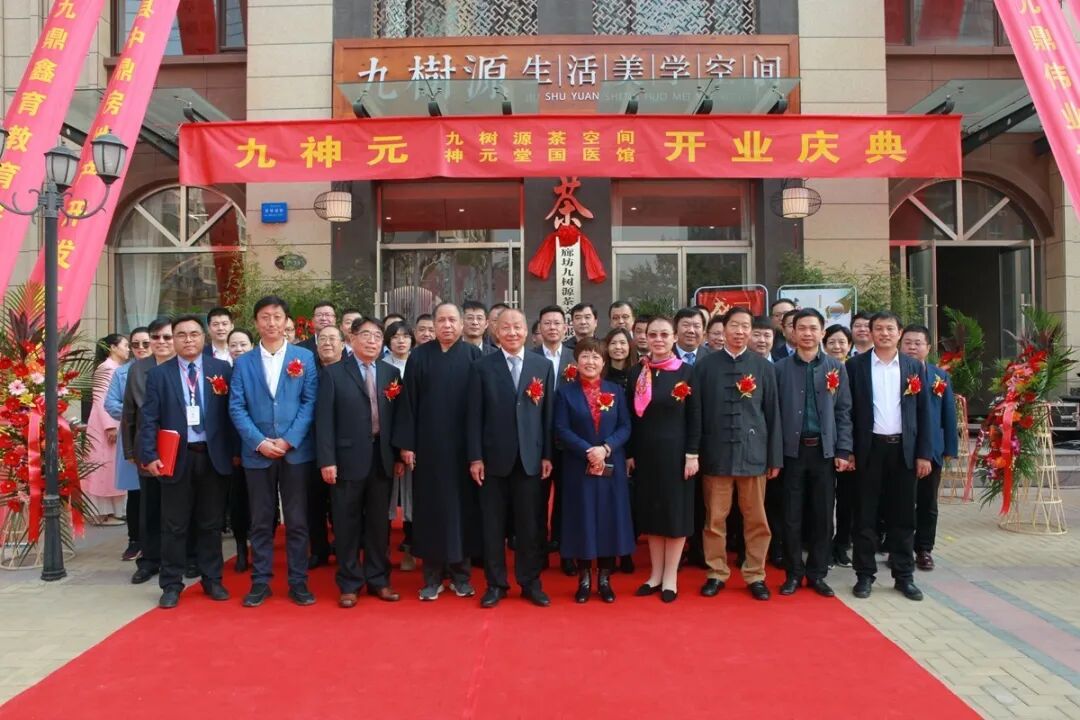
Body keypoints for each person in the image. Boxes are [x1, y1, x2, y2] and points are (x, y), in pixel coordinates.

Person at [138, 315, 235, 609]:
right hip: (176, 457)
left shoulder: (222, 370)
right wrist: (149, 455)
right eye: (181, 335)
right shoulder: (159, 374)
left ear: (203, 338)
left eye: (194, 334)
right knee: (174, 524)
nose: (188, 339)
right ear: (174, 340)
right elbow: (149, 418)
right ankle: (171, 583)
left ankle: (212, 578)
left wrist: (236, 452)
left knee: (211, 523)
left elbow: (232, 413)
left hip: (212, 456)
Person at [230, 295, 319, 607]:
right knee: (260, 520)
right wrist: (260, 442)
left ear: (286, 322)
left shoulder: (303, 358)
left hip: (295, 452)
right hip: (257, 453)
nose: (271, 322)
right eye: (265, 317)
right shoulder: (243, 362)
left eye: (277, 316)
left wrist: (288, 440)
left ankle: (298, 581)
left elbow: (310, 402)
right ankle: (260, 582)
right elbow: (236, 407)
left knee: (297, 520)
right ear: (256, 322)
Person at [691, 307, 782, 602]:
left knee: (756, 520)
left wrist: (774, 458)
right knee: (714, 520)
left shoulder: (764, 367)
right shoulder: (705, 366)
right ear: (723, 329)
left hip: (753, 455)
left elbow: (773, 415)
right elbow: (696, 413)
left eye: (745, 326)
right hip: (715, 455)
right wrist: (694, 452)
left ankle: (755, 574)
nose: (740, 331)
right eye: (734, 325)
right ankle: (716, 572)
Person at [392, 302, 483, 601]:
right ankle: (431, 577)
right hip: (428, 448)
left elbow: (480, 406)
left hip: (463, 449)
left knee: (462, 511)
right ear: (433, 325)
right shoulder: (419, 357)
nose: (447, 325)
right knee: (430, 511)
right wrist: (407, 444)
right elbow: (408, 404)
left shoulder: (473, 356)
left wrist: (478, 451)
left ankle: (460, 576)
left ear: (461, 324)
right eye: (441, 320)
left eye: (452, 320)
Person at [467, 309, 554, 609]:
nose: (512, 332)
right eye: (506, 327)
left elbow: (547, 416)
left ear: (527, 331)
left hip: (530, 459)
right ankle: (496, 584)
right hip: (493, 460)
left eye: (518, 327)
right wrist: (475, 457)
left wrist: (547, 454)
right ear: (496, 331)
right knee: (493, 527)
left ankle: (530, 583)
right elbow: (474, 417)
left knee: (530, 526)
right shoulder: (482, 367)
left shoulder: (542, 366)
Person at [317, 318, 404, 607]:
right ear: (351, 339)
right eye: (365, 335)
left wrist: (398, 454)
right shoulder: (334, 373)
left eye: (377, 336)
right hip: (346, 460)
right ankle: (349, 583)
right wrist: (327, 460)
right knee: (347, 524)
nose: (372, 341)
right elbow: (324, 421)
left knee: (379, 525)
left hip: (382, 458)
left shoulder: (391, 373)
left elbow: (397, 418)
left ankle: (379, 580)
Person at [846, 311, 932, 602]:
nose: (884, 333)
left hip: (903, 450)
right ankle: (864, 575)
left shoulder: (913, 367)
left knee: (903, 515)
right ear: (870, 333)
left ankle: (904, 575)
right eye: (879, 328)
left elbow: (924, 413)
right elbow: (847, 412)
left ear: (899, 333)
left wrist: (924, 454)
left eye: (890, 329)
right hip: (868, 450)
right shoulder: (855, 366)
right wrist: (849, 450)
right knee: (865, 515)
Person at [774, 309, 853, 598]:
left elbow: (844, 411)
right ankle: (793, 573)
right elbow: (773, 416)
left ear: (822, 332)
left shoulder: (835, 367)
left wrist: (843, 449)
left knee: (823, 515)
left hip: (823, 452)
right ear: (792, 332)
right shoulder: (779, 369)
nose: (807, 333)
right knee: (791, 516)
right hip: (791, 453)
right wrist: (775, 456)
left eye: (813, 328)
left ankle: (818, 573)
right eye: (802, 328)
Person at [554, 338, 634, 604]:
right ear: (576, 361)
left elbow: (625, 426)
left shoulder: (615, 391)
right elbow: (561, 428)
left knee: (609, 519)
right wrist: (588, 450)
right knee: (583, 519)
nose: (590, 362)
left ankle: (605, 578)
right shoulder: (565, 393)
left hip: (610, 465)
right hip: (579, 466)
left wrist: (606, 448)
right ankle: (585, 577)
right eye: (585, 356)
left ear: (604, 362)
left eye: (596, 357)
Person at [626, 316, 699, 603]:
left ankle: (671, 577)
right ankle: (655, 574)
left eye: (664, 335)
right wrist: (630, 453)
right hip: (646, 455)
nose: (658, 339)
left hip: (677, 455)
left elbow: (695, 418)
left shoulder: (687, 372)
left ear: (674, 338)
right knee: (652, 513)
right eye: (652, 334)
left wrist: (692, 454)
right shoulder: (637, 372)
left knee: (674, 514)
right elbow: (631, 418)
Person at [900, 324, 957, 572]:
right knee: (901, 502)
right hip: (902, 449)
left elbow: (948, 415)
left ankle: (924, 549)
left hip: (932, 450)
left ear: (928, 347)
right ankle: (899, 548)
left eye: (918, 343)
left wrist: (949, 449)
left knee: (928, 503)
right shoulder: (894, 372)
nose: (912, 347)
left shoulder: (939, 376)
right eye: (908, 343)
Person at [122, 318, 175, 585]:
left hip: (182, 447)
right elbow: (129, 412)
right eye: (156, 337)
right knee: (150, 507)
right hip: (149, 447)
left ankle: (183, 558)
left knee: (180, 508)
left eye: (167, 337)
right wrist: (131, 450)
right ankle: (149, 561)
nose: (161, 342)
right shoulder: (138, 369)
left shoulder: (186, 364)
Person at [531, 305, 577, 575]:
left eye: (557, 323)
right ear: (539, 327)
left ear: (565, 327)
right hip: (537, 441)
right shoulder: (530, 357)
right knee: (537, 500)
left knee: (567, 500)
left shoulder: (575, 358)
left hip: (569, 442)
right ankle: (539, 553)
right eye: (547, 323)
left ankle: (566, 551)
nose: (552, 327)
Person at [105, 327, 151, 560]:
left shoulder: (163, 368)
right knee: (135, 493)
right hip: (132, 436)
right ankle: (135, 540)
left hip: (162, 438)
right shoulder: (122, 373)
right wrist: (136, 411)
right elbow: (110, 404)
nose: (141, 348)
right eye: (135, 344)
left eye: (146, 343)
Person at [84, 334, 130, 524]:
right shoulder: (106, 369)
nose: (128, 349)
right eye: (126, 345)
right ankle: (102, 514)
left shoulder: (117, 368)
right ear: (113, 347)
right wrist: (110, 426)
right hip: (106, 426)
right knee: (104, 468)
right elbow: (101, 400)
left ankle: (114, 511)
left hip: (115, 423)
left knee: (113, 468)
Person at [383, 320, 417, 571]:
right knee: (384, 500)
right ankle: (381, 552)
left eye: (405, 336)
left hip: (412, 443)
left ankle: (410, 550)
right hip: (385, 443)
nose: (401, 340)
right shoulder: (381, 367)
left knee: (410, 499)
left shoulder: (418, 365)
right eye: (395, 336)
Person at [823, 323, 855, 567]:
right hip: (825, 445)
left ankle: (842, 544)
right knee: (825, 500)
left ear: (849, 345)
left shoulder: (855, 369)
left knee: (847, 499)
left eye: (842, 342)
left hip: (849, 445)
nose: (837, 346)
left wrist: (850, 448)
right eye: (832, 342)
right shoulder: (821, 369)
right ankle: (823, 546)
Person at [225, 328, 255, 571]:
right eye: (233, 345)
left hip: (259, 445)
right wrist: (234, 451)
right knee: (238, 501)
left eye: (243, 344)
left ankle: (260, 544)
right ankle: (241, 548)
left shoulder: (257, 371)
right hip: (233, 449)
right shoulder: (222, 374)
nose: (238, 349)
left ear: (252, 346)